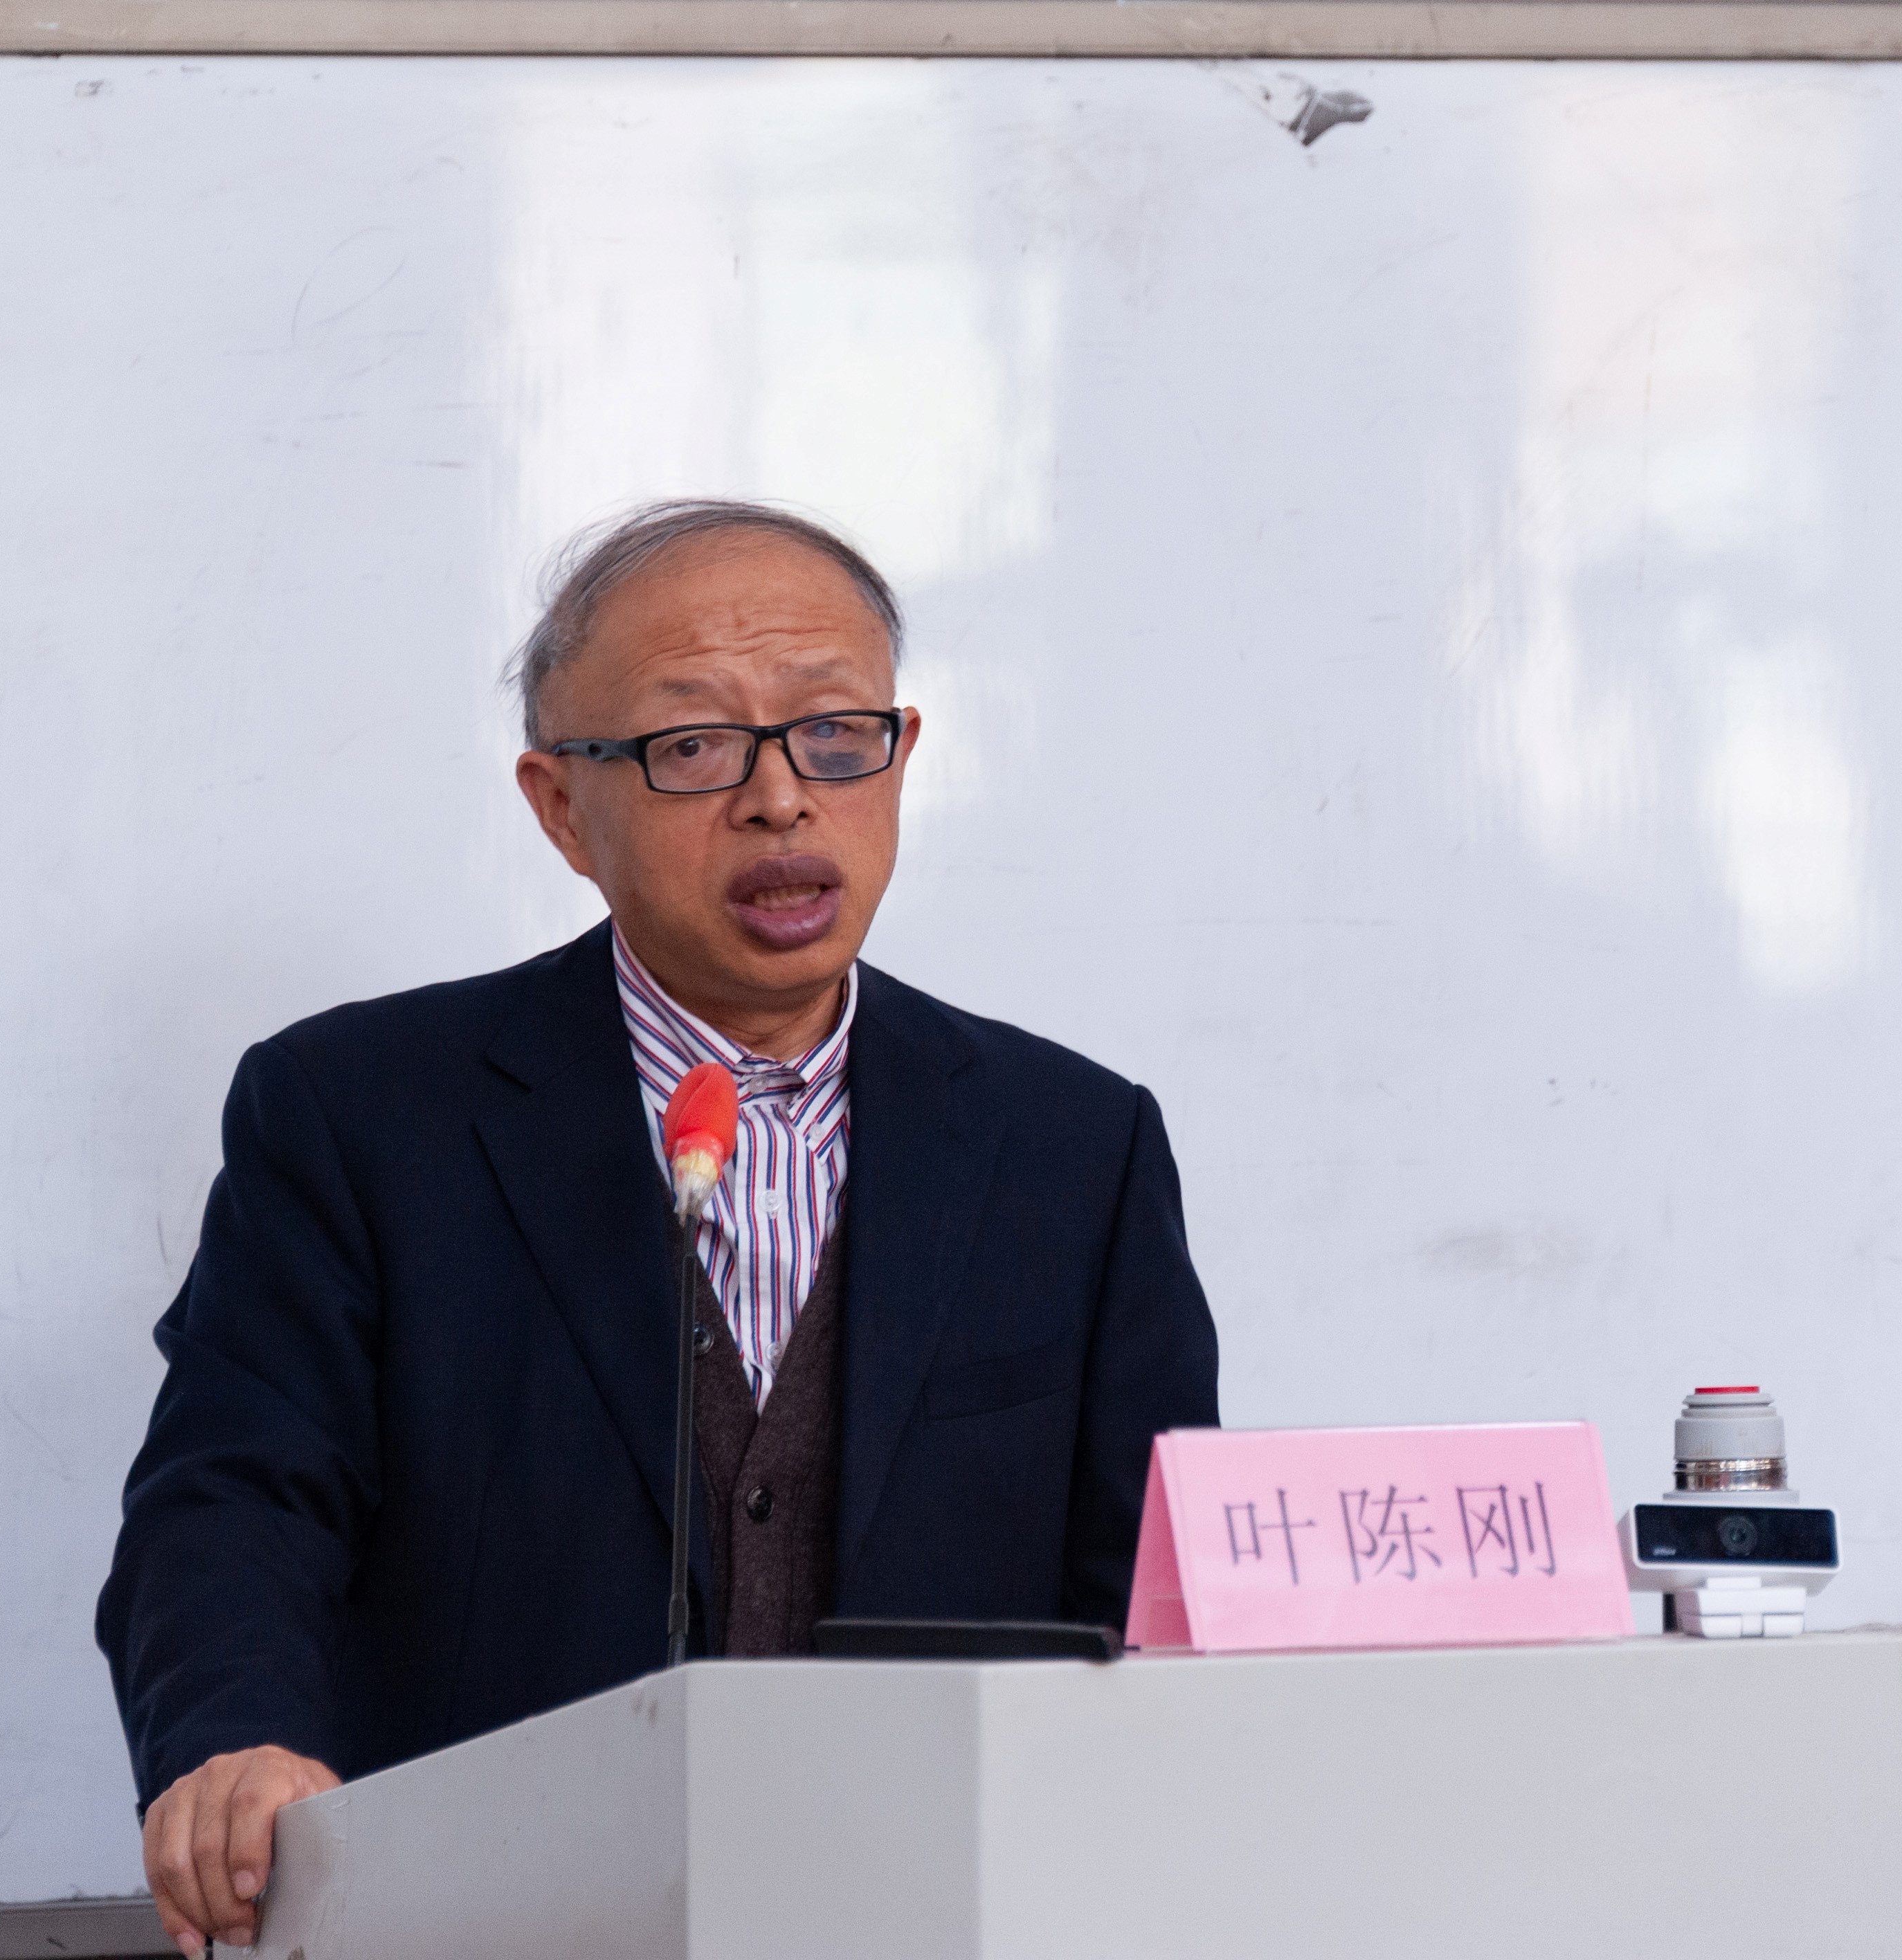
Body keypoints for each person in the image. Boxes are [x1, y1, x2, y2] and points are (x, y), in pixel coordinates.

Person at [95, 500, 1221, 1956]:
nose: (780, 800)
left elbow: (1148, 1590)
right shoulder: (360, 1114)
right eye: (693, 747)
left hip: (939, 1911)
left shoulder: (1072, 1144)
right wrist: (232, 1741)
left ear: (900, 757)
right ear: (562, 807)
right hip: (499, 1917)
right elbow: (237, 1497)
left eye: (835, 734)